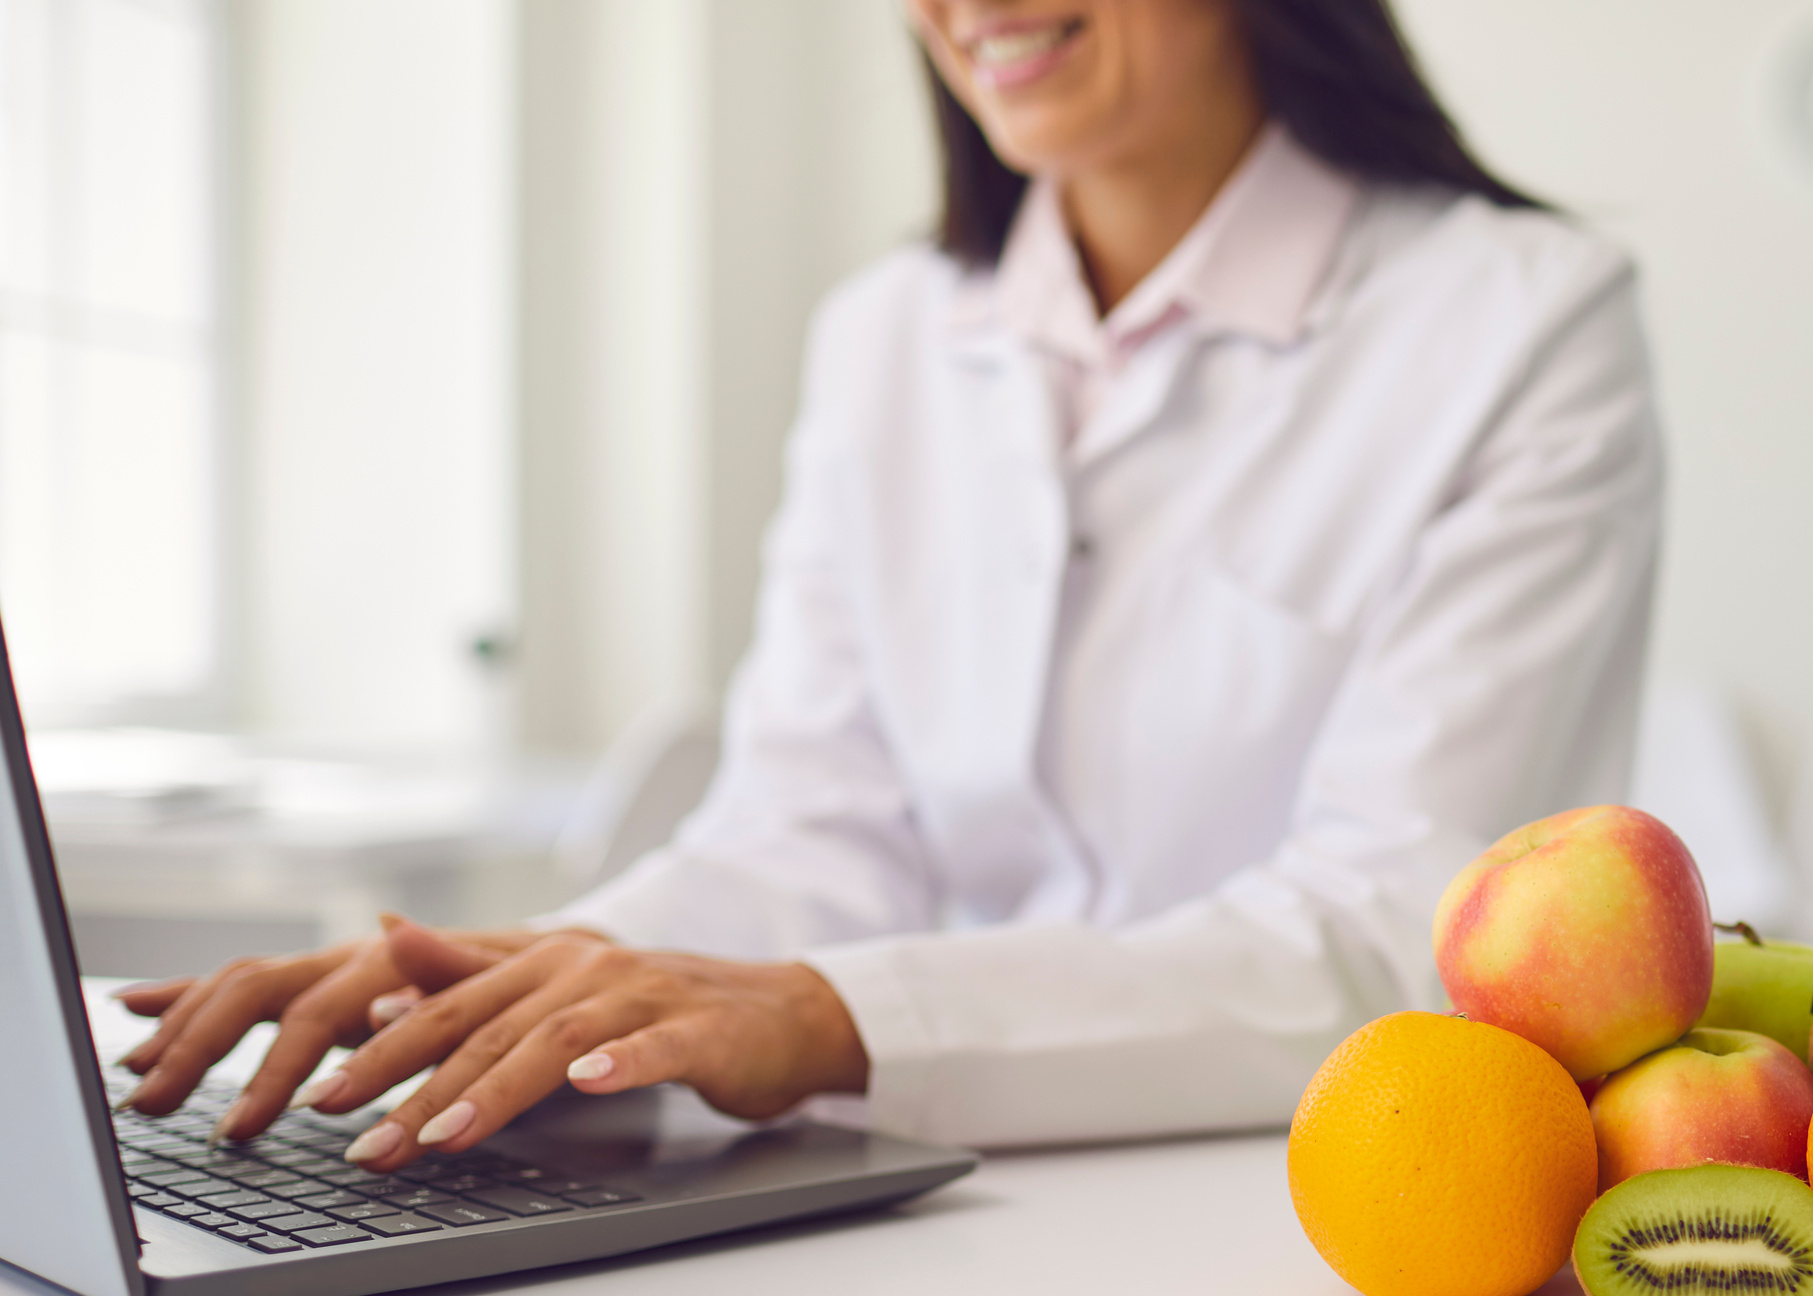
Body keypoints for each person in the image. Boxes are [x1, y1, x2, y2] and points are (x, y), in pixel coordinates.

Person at [114, 0, 1663, 1170]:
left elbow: (1400, 931)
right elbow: (813, 825)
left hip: (1303, 1201)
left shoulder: (1519, 324)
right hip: (910, 1194)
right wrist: (541, 994)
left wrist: (835, 1020)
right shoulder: (888, 336)